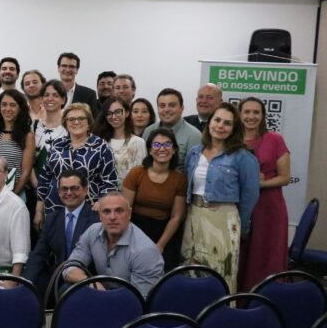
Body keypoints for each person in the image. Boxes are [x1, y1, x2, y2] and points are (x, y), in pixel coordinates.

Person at [182, 102, 260, 291]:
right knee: (189, 269)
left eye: (227, 123)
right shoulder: (194, 152)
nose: (220, 126)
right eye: (217, 120)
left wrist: (238, 225)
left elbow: (250, 196)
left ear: (234, 129)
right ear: (209, 123)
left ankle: (221, 317)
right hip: (193, 216)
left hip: (224, 220)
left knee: (220, 274)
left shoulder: (243, 157)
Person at [61, 191, 164, 297]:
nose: (112, 217)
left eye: (119, 211)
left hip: (130, 305)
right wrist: (91, 283)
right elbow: (69, 268)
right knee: (67, 289)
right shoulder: (93, 232)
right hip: (103, 294)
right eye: (106, 212)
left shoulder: (145, 251)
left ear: (129, 214)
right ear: (100, 215)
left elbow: (141, 301)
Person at [238, 96, 291, 290]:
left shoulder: (275, 139)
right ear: (239, 114)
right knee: (242, 255)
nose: (251, 116)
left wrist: (258, 184)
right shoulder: (232, 141)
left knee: (266, 254)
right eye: (247, 112)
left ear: (263, 115)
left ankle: (268, 299)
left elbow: (285, 177)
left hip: (269, 208)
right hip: (242, 206)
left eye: (256, 112)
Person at [35, 103, 117, 228]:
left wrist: (102, 202)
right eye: (71, 119)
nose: (76, 122)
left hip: (89, 209)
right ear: (65, 123)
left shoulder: (101, 147)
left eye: (81, 118)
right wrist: (38, 211)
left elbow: (110, 181)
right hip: (55, 208)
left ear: (89, 122)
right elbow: (45, 178)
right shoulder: (57, 145)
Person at [22, 170, 99, 295]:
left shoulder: (96, 219)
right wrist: (25, 282)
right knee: (29, 288)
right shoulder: (53, 218)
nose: (69, 193)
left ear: (85, 190)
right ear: (58, 192)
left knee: (66, 291)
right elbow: (39, 255)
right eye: (64, 189)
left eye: (74, 188)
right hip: (57, 276)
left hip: (85, 279)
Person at [123, 128, 187, 270]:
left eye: (167, 145)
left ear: (174, 149)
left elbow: (176, 217)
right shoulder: (136, 173)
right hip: (135, 228)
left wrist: (160, 245)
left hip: (165, 231)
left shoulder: (180, 179)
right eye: (156, 145)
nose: (162, 149)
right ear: (150, 150)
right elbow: (126, 210)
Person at [143, 89, 202, 171]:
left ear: (182, 108)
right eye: (162, 106)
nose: (166, 110)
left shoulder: (194, 135)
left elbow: (193, 171)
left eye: (172, 105)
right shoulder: (148, 131)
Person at [94, 96, 146, 186]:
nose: (113, 116)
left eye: (118, 112)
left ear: (127, 113)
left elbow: (141, 176)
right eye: (109, 113)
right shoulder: (100, 142)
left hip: (129, 194)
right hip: (103, 193)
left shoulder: (138, 142)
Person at [31, 79, 68, 169]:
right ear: (42, 99)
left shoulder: (69, 126)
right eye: (46, 95)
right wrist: (35, 182)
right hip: (35, 180)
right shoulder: (34, 125)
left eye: (55, 95)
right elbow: (28, 159)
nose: (50, 99)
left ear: (63, 100)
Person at [56, 51, 100, 117]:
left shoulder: (89, 95)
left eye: (72, 66)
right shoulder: (47, 94)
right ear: (58, 68)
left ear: (77, 70)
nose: (68, 70)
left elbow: (93, 122)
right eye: (64, 66)